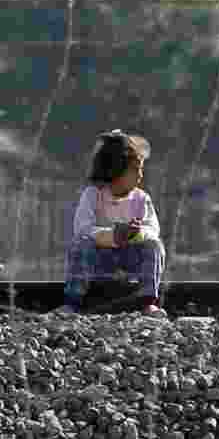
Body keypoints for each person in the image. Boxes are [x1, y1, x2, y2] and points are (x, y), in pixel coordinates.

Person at [57, 130, 167, 317]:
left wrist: (136, 233)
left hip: (130, 257)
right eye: (135, 169)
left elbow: (152, 229)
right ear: (116, 170)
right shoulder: (93, 195)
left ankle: (148, 301)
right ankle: (73, 303)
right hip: (99, 258)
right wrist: (112, 236)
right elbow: (83, 228)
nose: (140, 175)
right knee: (80, 244)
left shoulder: (141, 199)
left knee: (155, 246)